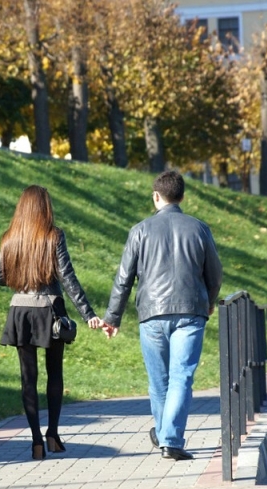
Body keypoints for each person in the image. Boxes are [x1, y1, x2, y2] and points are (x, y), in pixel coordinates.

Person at [101, 170, 223, 461]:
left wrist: (113, 317)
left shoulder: (139, 230)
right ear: (182, 196)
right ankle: (170, 438)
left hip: (152, 313)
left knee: (160, 381)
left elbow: (123, 278)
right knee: (182, 377)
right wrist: (210, 301)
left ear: (156, 196)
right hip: (191, 310)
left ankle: (165, 434)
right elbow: (215, 273)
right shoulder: (199, 228)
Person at [0, 185, 103, 461]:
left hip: (20, 311)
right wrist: (88, 314)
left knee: (28, 379)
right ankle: (53, 433)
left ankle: (36, 442)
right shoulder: (54, 237)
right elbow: (68, 278)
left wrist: (22, 278)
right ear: (45, 208)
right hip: (50, 311)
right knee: (54, 373)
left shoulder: (10, 239)